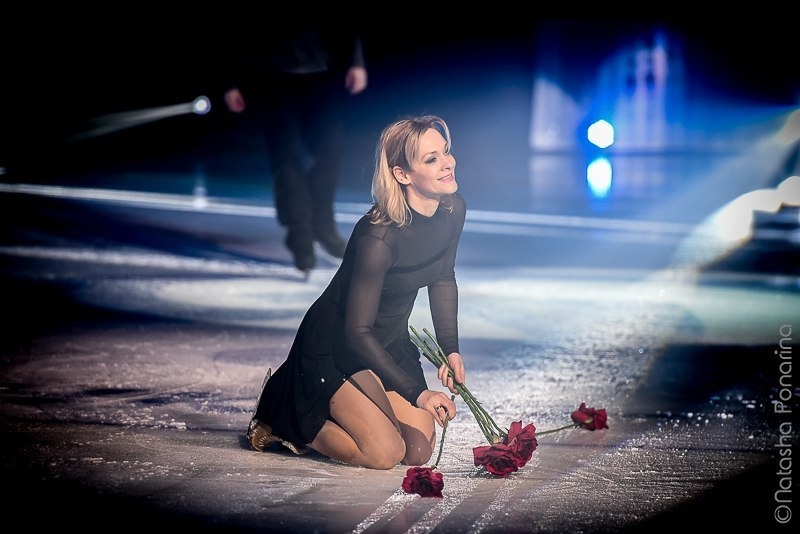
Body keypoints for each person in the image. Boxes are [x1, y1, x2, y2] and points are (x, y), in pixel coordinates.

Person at [247, 115, 467, 469]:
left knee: (417, 452)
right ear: (402, 174)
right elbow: (357, 333)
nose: (447, 163)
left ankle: (360, 402)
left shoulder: (453, 210)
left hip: (388, 343)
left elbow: (443, 277)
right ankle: (282, 412)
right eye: (432, 159)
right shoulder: (378, 236)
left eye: (446, 151)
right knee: (384, 453)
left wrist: (450, 349)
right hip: (336, 349)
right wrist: (418, 393)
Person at [223, 20, 368, 272]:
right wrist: (229, 82)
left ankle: (322, 225)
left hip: (321, 70)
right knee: (286, 156)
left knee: (329, 152)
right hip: (269, 72)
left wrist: (357, 61)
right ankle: (300, 235)